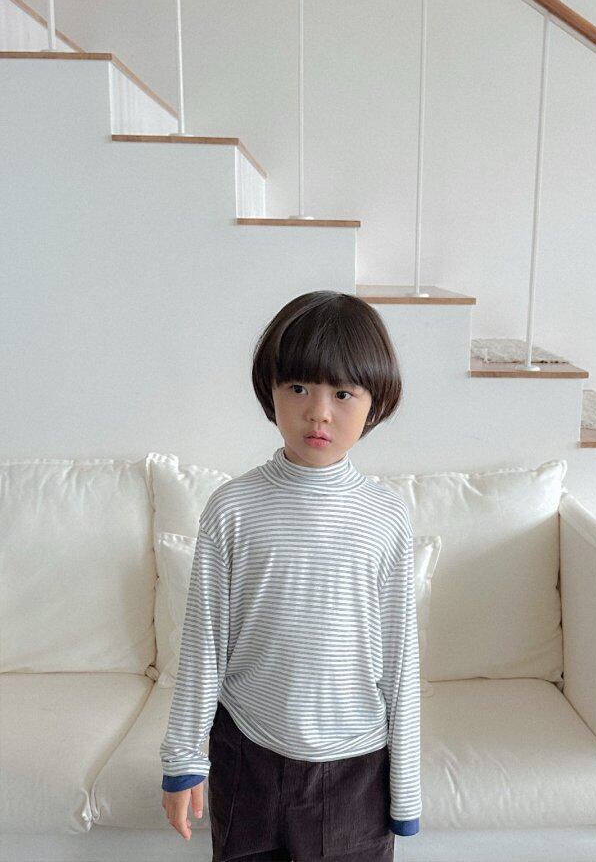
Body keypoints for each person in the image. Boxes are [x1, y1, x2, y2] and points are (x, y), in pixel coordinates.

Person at [160, 290, 422, 861]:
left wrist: (406, 788)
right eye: (298, 387)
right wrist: (183, 758)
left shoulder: (387, 514)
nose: (318, 412)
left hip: (356, 768)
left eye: (342, 393)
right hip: (247, 754)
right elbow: (204, 643)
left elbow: (400, 657)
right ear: (270, 391)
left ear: (374, 402)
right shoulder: (232, 508)